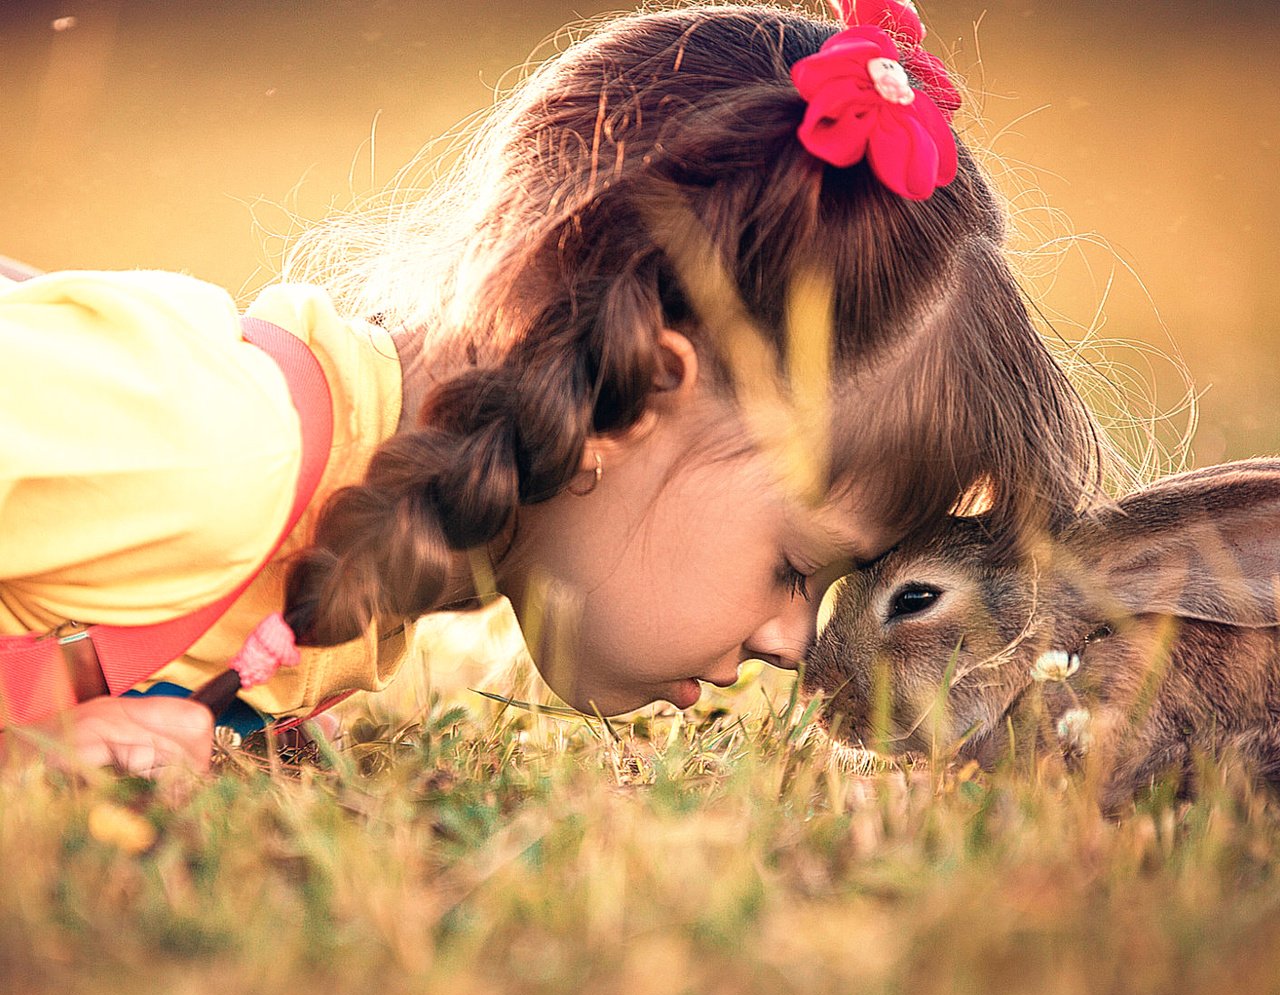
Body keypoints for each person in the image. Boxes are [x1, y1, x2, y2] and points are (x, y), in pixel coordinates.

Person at [0, 0, 1113, 773]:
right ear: (635, 398)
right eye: (791, 568)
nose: (787, 646)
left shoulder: (351, 586)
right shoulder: (210, 452)